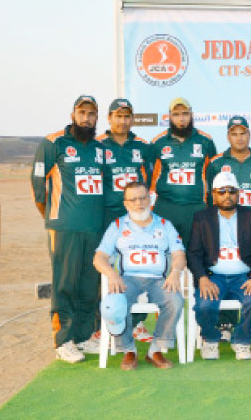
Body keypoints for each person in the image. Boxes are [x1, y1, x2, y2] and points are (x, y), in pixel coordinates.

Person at [31, 95, 105, 362]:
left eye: (92, 114)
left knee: (89, 283)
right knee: (65, 284)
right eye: (82, 113)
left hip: (94, 228)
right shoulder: (54, 142)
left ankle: (85, 336)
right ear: (73, 114)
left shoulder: (99, 147)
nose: (86, 118)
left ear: (97, 118)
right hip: (65, 228)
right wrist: (53, 217)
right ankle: (63, 340)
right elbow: (38, 187)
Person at [93, 181, 185, 370]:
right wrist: (112, 275)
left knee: (174, 301)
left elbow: (179, 254)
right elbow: (99, 258)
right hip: (128, 279)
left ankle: (156, 350)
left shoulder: (164, 225)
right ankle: (128, 350)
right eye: (133, 199)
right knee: (114, 304)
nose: (139, 203)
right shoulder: (117, 225)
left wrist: (175, 273)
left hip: (158, 279)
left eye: (142, 198)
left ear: (150, 199)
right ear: (125, 203)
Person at [205, 115, 251, 340]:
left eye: (243, 133)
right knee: (224, 270)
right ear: (228, 136)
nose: (239, 138)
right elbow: (210, 195)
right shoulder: (216, 163)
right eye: (234, 133)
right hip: (223, 227)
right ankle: (225, 322)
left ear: (249, 135)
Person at [187, 172, 251, 360]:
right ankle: (210, 338)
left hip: (244, 277)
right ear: (213, 195)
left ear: (238, 193)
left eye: (231, 191)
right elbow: (193, 253)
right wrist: (202, 278)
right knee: (205, 305)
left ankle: (242, 339)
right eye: (221, 191)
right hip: (213, 276)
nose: (227, 196)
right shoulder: (202, 218)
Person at [97, 98, 153, 343]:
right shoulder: (98, 144)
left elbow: (149, 177)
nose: (122, 120)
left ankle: (137, 323)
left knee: (137, 267)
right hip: (108, 214)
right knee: (107, 269)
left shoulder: (142, 145)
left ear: (132, 118)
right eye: (117, 116)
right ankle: (103, 323)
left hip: (135, 215)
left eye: (126, 116)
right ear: (109, 118)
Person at [150, 97, 217, 250]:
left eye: (185, 113)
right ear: (169, 117)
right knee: (164, 255)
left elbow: (213, 178)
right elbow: (149, 178)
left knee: (196, 256)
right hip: (166, 207)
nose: (181, 118)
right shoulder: (158, 143)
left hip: (196, 208)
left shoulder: (205, 142)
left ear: (191, 115)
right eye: (176, 114)